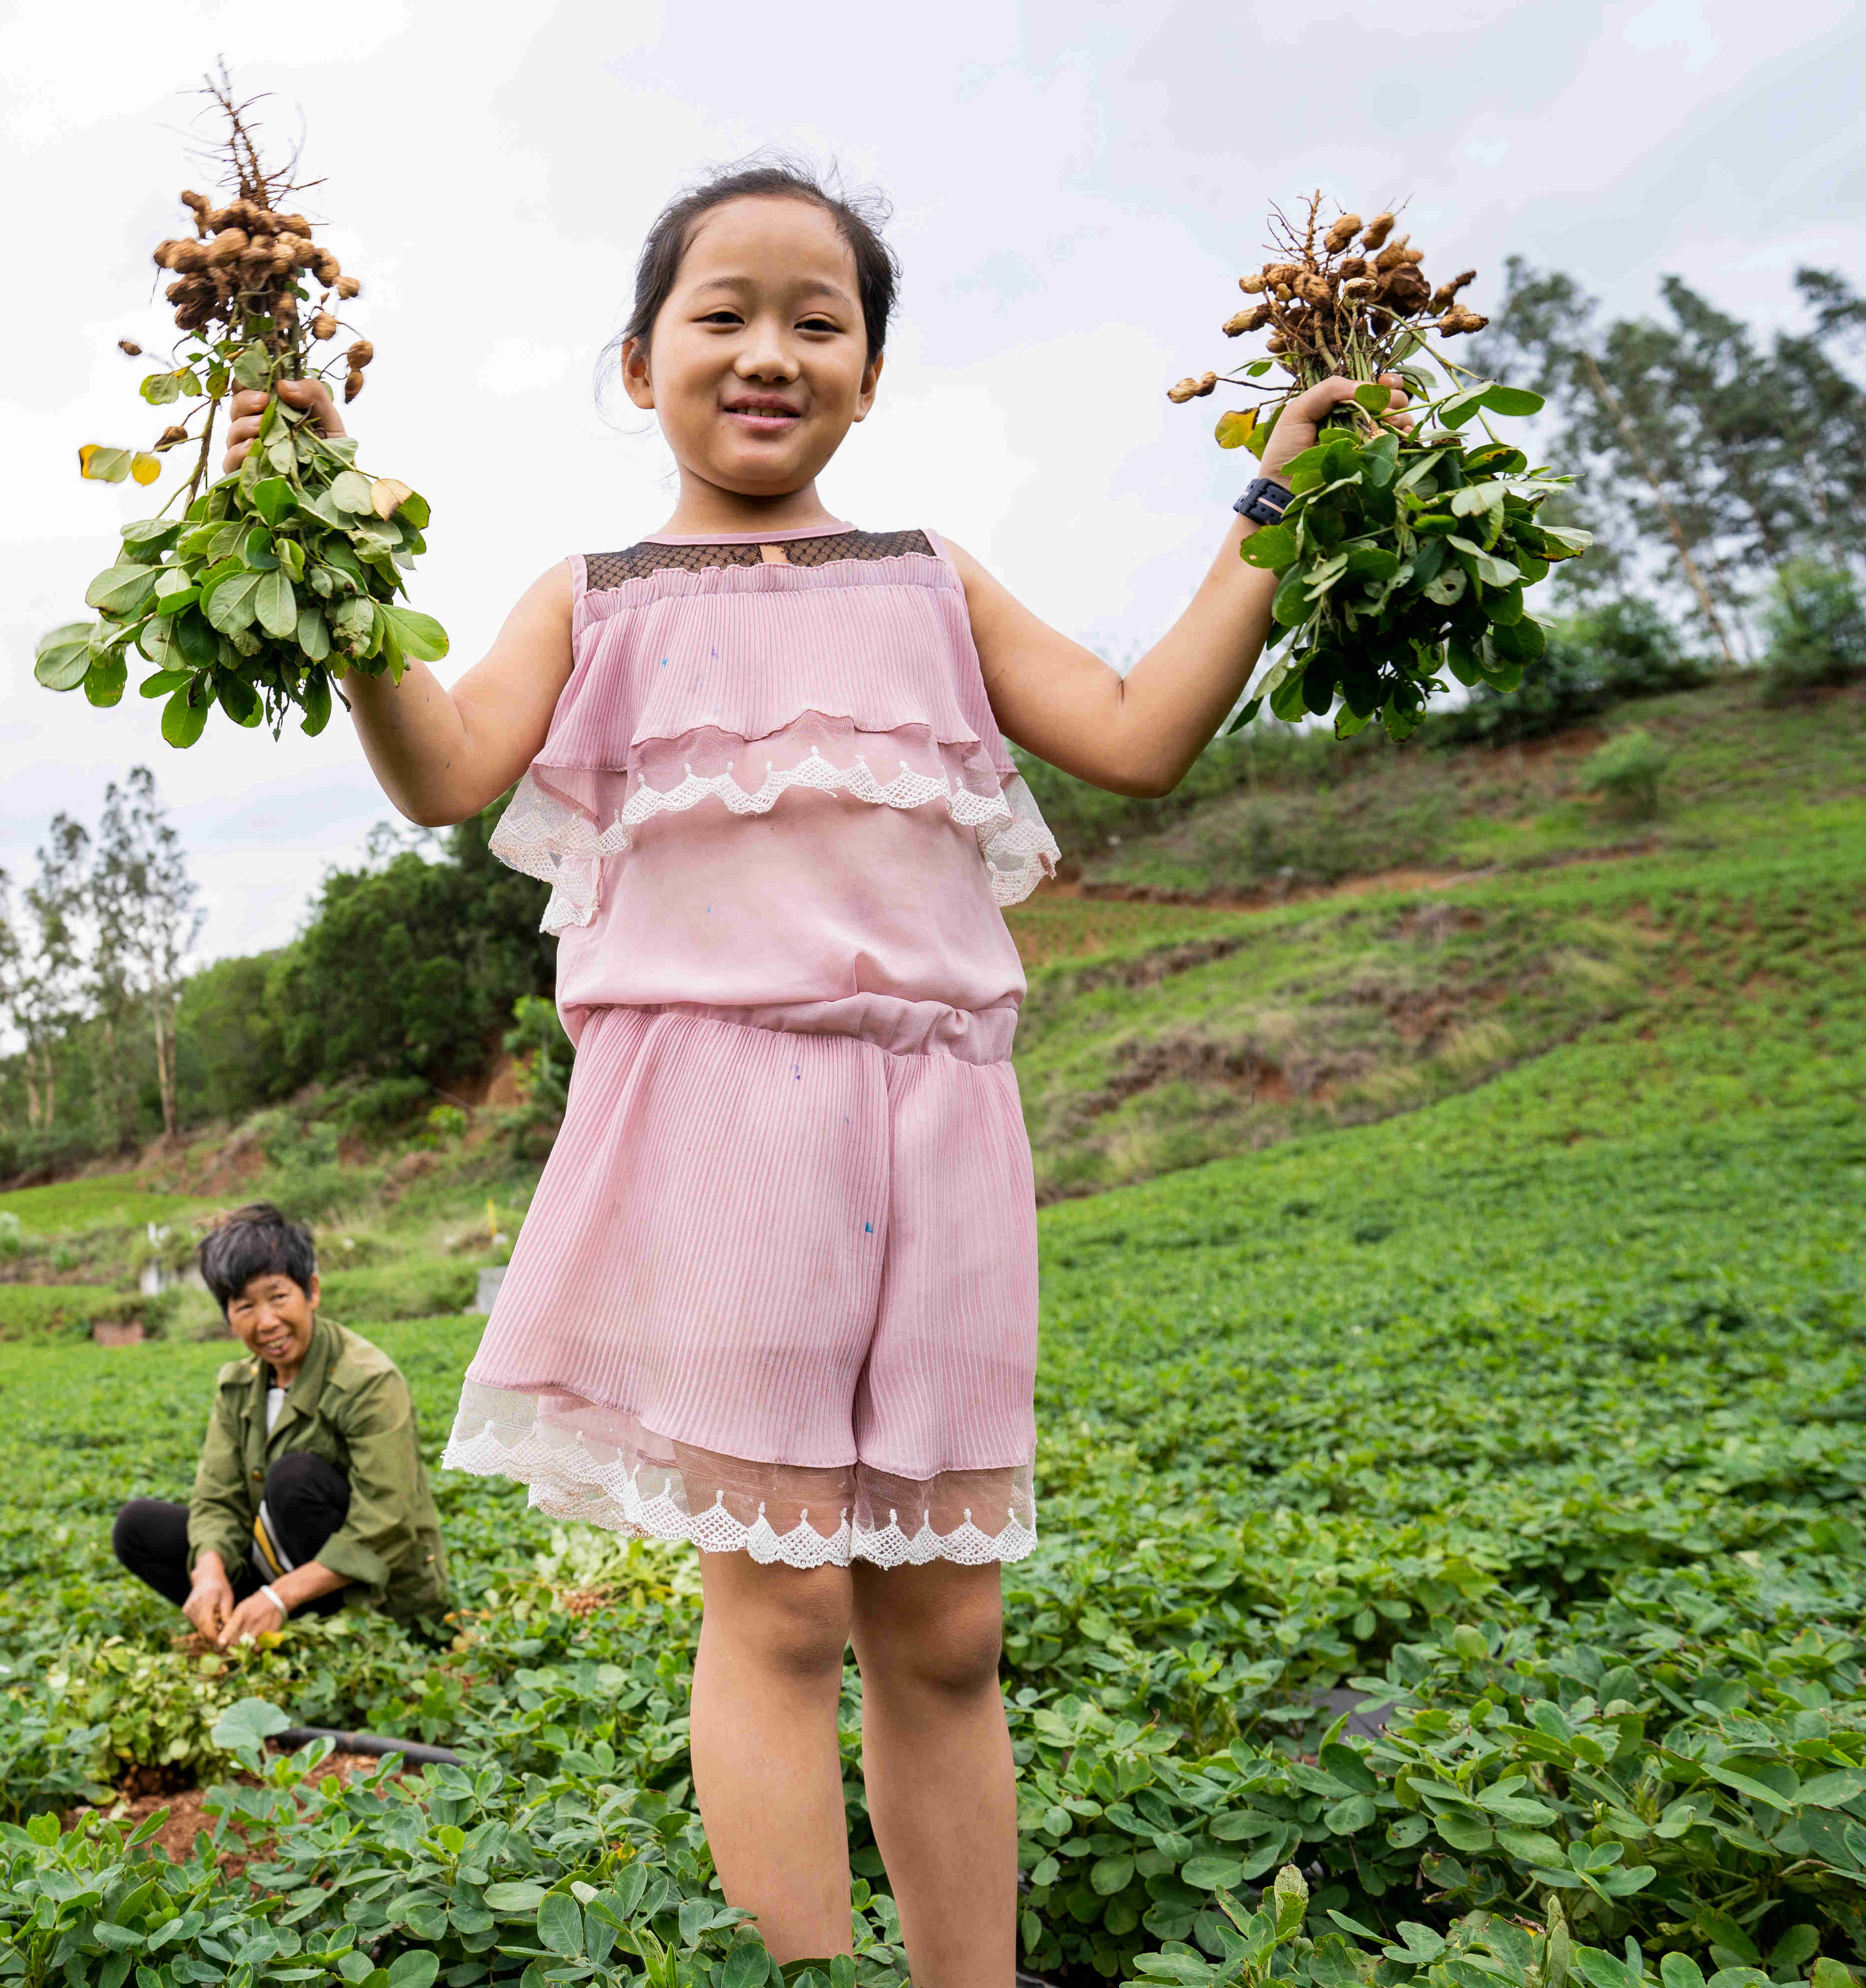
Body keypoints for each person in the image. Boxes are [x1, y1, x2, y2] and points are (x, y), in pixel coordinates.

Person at [220, 165, 1409, 1977]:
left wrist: (1280, 506)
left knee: (943, 1631)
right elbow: (443, 769)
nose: (767, 350)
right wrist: (323, 535)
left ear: (867, 371)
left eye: (816, 319)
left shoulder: (929, 578)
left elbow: (1140, 732)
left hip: (939, 1127)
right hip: (715, 1124)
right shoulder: (595, 595)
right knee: (773, 1603)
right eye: (722, 314)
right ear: (636, 365)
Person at [112, 1204, 449, 1644]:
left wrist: (277, 1597)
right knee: (137, 1528)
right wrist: (210, 1572)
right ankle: (244, 1626)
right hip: (280, 1565)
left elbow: (386, 1523)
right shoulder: (239, 1385)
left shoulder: (368, 1380)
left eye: (278, 1297)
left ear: (311, 1291)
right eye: (245, 1305)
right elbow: (217, 1498)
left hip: (375, 1598)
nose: (266, 1321)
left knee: (295, 1479)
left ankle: (312, 1631)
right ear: (228, 1316)